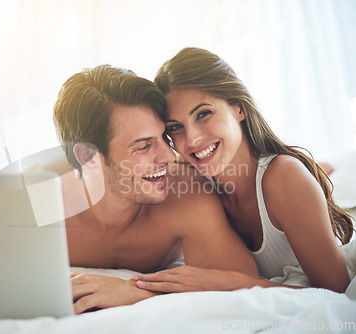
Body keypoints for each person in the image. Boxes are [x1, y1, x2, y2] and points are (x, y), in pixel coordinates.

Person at [130, 47, 353, 294]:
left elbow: (338, 294)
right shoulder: (190, 182)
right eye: (175, 127)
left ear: (238, 107)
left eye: (203, 114)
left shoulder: (285, 178)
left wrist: (235, 284)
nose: (192, 140)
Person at [52, 64, 259, 314]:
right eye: (143, 146)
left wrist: (137, 292)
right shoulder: (40, 204)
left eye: (164, 136)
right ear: (88, 157)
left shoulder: (185, 194)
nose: (169, 155)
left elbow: (247, 290)